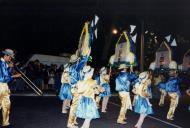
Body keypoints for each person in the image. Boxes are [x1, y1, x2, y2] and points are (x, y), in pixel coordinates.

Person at [0, 49, 21, 128]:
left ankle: (5, 123)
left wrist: (10, 67)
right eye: (10, 57)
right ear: (6, 56)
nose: (10, 59)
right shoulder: (0, 63)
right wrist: (14, 76)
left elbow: (7, 74)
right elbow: (2, 78)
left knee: (6, 105)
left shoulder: (4, 63)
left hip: (4, 86)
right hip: (1, 85)